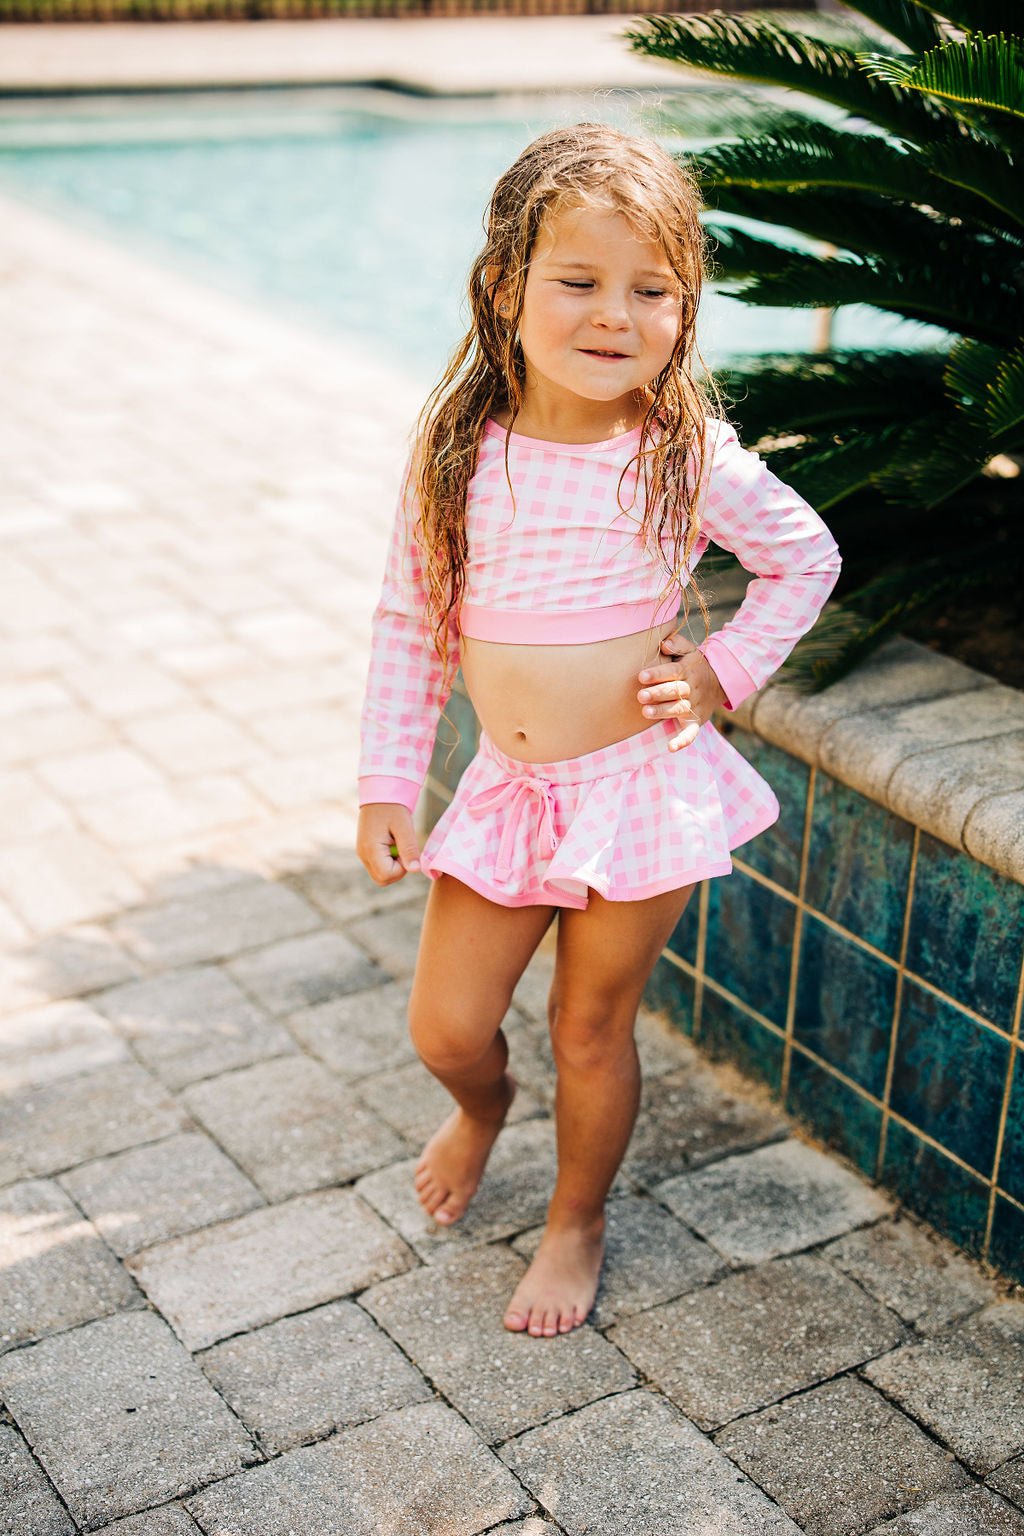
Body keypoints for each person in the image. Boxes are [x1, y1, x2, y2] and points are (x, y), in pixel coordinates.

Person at [356, 122, 841, 1339]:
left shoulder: (682, 455)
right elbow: (411, 619)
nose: (614, 313)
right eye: (578, 281)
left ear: (686, 308)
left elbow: (803, 558)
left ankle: (577, 1217)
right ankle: (482, 1109)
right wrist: (386, 783)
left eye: (652, 289)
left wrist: (724, 672)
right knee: (448, 1027)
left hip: (637, 789)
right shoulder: (460, 453)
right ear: (506, 287)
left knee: (591, 1024)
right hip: (511, 792)